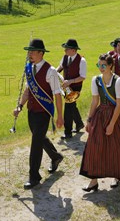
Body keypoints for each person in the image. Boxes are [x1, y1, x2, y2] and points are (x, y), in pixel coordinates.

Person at [80, 53, 120, 191]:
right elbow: (95, 101)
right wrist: (89, 120)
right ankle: (93, 181)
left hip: (115, 116)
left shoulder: (118, 81)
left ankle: (116, 176)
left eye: (103, 65)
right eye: (99, 65)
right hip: (100, 115)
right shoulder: (96, 80)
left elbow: (119, 105)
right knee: (94, 147)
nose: (101, 68)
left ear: (111, 65)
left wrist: (112, 124)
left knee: (116, 147)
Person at [12, 39, 64, 189]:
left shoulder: (51, 71)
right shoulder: (29, 68)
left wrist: (59, 116)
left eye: (32, 52)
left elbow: (57, 95)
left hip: (43, 112)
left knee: (35, 144)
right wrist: (20, 106)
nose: (29, 54)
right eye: (28, 52)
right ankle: (56, 157)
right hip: (31, 111)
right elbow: (28, 90)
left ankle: (34, 176)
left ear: (41, 53)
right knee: (39, 138)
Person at [57, 39, 86, 139]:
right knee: (72, 106)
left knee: (68, 108)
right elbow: (60, 67)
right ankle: (79, 124)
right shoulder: (65, 57)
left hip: (76, 87)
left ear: (73, 50)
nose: (65, 51)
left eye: (67, 49)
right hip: (66, 86)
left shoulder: (82, 61)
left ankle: (68, 132)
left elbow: (82, 77)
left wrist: (70, 81)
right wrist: (54, 73)